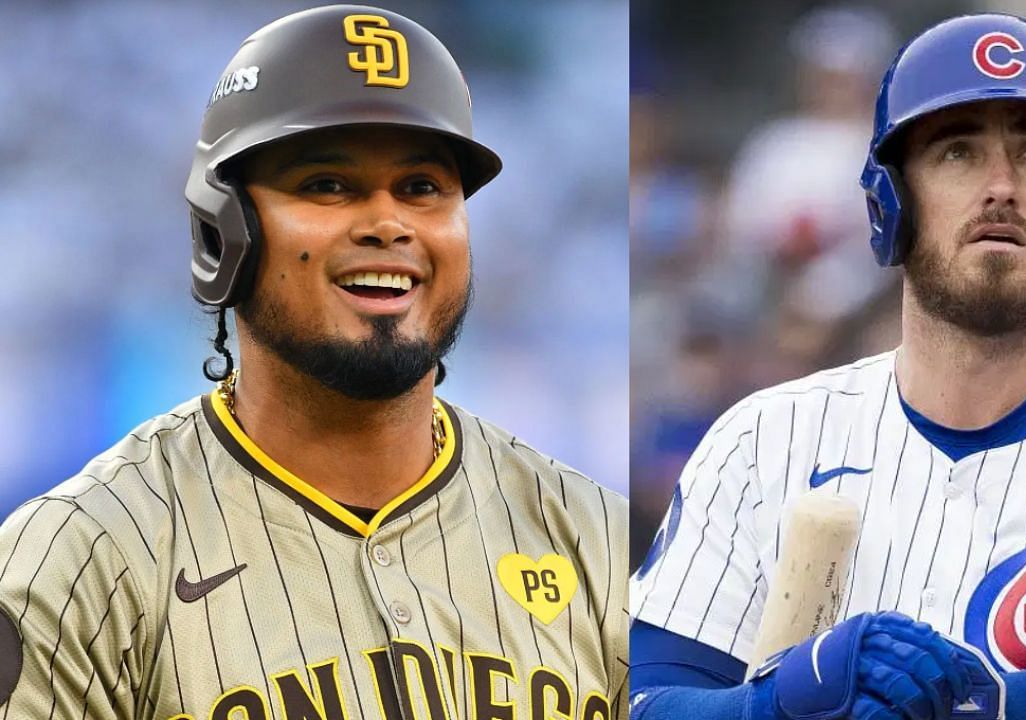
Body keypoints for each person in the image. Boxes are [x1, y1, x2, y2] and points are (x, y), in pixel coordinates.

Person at [630, 13, 1026, 720]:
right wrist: (775, 707)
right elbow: (640, 697)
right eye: (958, 153)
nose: (1001, 186)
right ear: (889, 199)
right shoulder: (762, 439)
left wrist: (981, 705)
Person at [0, 5, 627, 719]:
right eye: (328, 184)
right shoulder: (79, 557)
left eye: (423, 187)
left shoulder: (593, 535)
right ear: (223, 232)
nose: (388, 223)